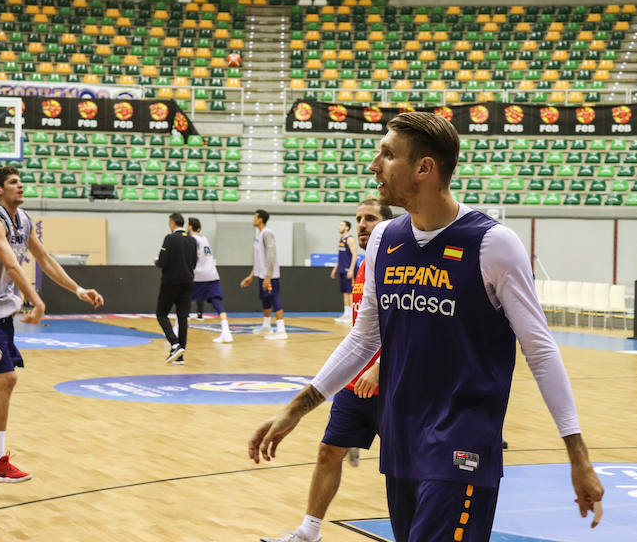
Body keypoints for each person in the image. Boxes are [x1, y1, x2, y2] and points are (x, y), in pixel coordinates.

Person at [249, 113, 604, 541]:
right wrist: (297, 408)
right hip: (402, 443)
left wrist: (577, 453)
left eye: (387, 154)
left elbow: (541, 350)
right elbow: (365, 338)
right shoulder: (385, 240)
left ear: (424, 168)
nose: (374, 165)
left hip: (462, 444)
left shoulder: (493, 244)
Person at [0, 166, 104, 483]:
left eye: (20, 181)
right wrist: (36, 301)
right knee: (6, 379)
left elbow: (45, 259)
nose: (20, 185)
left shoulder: (24, 220)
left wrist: (77, 289)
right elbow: (9, 262)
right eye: (13, 182)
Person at [261, 198, 392, 542]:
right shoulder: (363, 266)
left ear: (388, 224)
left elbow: (408, 328)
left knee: (401, 474)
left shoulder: (397, 265)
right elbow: (361, 334)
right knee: (327, 451)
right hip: (354, 384)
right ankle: (309, 532)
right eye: (359, 218)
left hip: (392, 386)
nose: (362, 224)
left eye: (371, 218)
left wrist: (380, 366)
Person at [155, 212, 197, 365]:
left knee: (161, 313)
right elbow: (193, 263)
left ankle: (174, 344)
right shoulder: (192, 240)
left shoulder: (170, 238)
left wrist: (157, 261)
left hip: (171, 282)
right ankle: (180, 355)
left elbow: (162, 262)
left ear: (172, 223)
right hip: (188, 282)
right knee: (182, 317)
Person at [240, 209, 286, 341]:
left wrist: (268, 276)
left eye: (255, 217)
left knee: (274, 298)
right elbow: (259, 259)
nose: (253, 219)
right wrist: (251, 275)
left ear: (260, 219)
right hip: (262, 275)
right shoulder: (259, 235)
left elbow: (272, 255)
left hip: (270, 276)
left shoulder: (267, 233)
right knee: (265, 300)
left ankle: (281, 330)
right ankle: (267, 326)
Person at [186, 217, 232, 343]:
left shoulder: (191, 240)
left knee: (183, 301)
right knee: (217, 301)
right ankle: (226, 331)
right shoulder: (204, 239)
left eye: (187, 225)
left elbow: (192, 258)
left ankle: (176, 330)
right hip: (212, 274)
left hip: (199, 276)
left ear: (190, 227)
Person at [330, 220, 358, 325]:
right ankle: (346, 313)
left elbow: (355, 254)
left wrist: (351, 269)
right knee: (345, 292)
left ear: (347, 228)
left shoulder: (350, 239)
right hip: (342, 269)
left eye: (341, 225)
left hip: (349, 269)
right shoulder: (341, 239)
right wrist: (335, 269)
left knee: (351, 292)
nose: (339, 227)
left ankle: (352, 315)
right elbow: (340, 256)